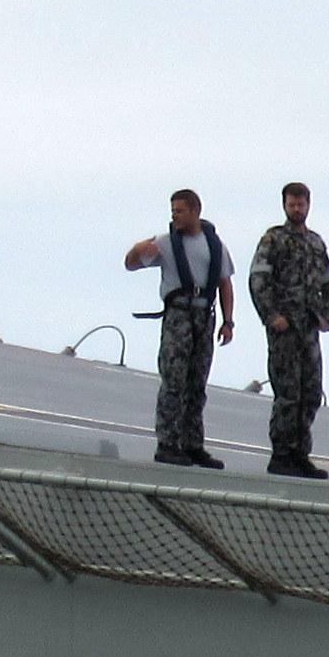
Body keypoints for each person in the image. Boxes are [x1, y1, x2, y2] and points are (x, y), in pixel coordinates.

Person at [122, 191, 236, 468]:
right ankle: (168, 443)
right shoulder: (165, 243)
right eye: (173, 211)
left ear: (195, 210)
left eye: (180, 211)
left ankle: (192, 444)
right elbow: (130, 264)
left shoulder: (215, 245)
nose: (175, 216)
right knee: (174, 381)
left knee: (197, 384)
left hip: (204, 317)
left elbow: (225, 284)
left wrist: (228, 321)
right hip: (178, 317)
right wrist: (138, 249)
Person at [248, 184, 329, 480]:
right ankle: (282, 454)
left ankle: (301, 454)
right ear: (284, 206)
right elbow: (258, 279)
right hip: (285, 330)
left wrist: (328, 316)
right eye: (292, 205)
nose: (297, 209)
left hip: (309, 329)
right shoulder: (273, 239)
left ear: (308, 205)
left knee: (310, 393)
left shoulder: (315, 243)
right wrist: (271, 316)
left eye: (301, 204)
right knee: (288, 393)